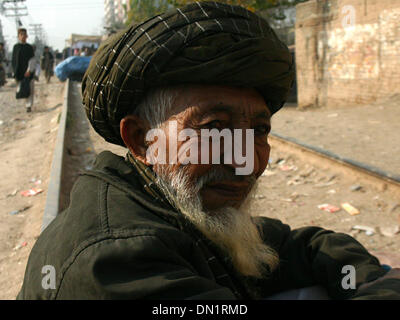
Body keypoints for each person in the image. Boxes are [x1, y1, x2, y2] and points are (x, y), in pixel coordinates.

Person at [17, 2, 400, 300]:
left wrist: (366, 283)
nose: (244, 159)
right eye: (214, 128)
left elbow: (306, 246)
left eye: (259, 130)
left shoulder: (179, 204)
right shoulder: (116, 260)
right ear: (140, 140)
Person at [12, 28, 35, 112]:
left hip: (28, 72)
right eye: (21, 35)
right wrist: (14, 71)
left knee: (30, 89)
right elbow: (14, 60)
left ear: (27, 36)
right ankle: (26, 103)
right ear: (18, 36)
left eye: (24, 35)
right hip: (19, 72)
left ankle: (28, 106)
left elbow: (32, 60)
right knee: (22, 89)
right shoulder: (16, 47)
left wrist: (29, 70)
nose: (22, 36)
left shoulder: (29, 48)